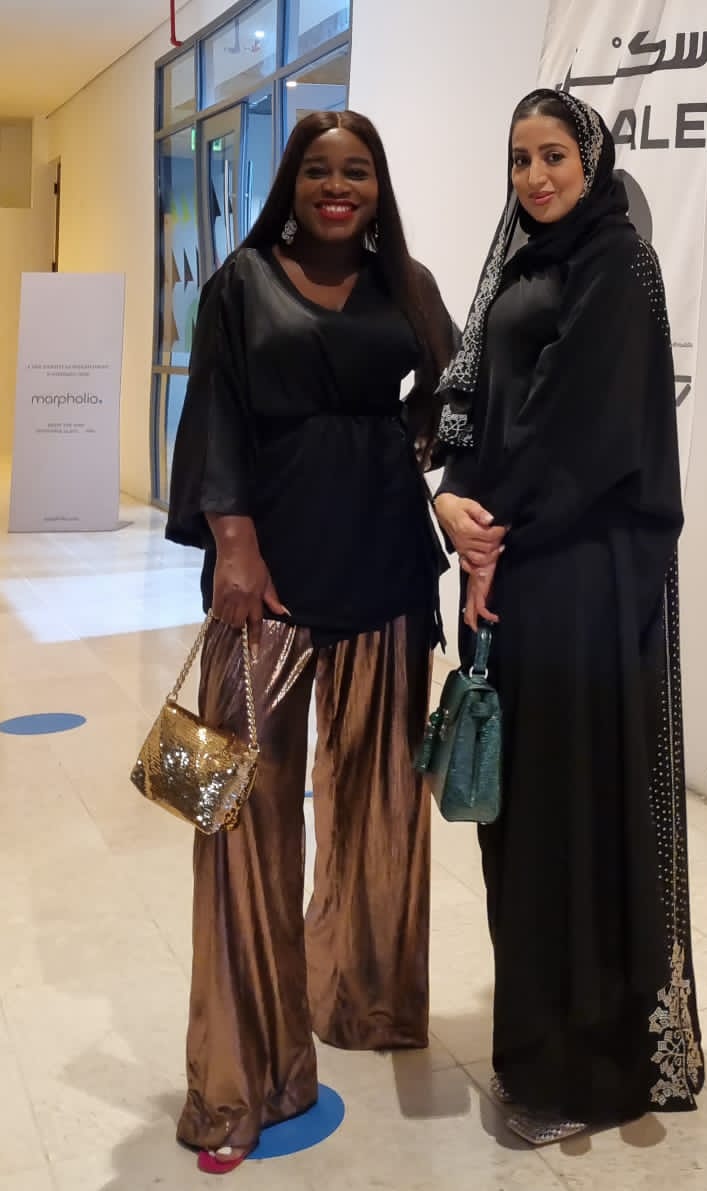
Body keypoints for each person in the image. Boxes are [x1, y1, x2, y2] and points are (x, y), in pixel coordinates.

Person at [165, 109, 455, 1175]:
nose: (338, 187)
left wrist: (410, 440)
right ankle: (242, 1077)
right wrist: (233, 545)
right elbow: (214, 417)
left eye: (357, 172)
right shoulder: (239, 283)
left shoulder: (404, 284)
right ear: (291, 183)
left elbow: (456, 387)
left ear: (377, 188)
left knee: (379, 802)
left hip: (386, 566)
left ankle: (364, 999)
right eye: (319, 171)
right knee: (237, 819)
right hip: (268, 580)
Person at [433, 88, 705, 1145]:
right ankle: (535, 1048)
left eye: (553, 155)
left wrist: (488, 533)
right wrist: (451, 505)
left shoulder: (617, 265)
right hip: (507, 571)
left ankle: (588, 1068)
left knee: (574, 809)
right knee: (521, 821)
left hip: (577, 580)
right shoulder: (513, 264)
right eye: (519, 159)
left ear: (591, 159)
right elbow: (473, 403)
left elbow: (574, 430)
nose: (535, 176)